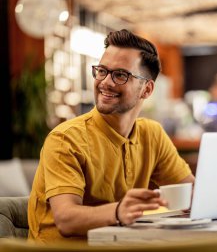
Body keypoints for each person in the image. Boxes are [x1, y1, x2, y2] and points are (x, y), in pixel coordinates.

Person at [28, 29, 195, 242]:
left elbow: (192, 193)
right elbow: (66, 219)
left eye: (120, 75)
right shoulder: (66, 139)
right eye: (102, 71)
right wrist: (118, 211)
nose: (105, 82)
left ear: (147, 89)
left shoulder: (152, 134)